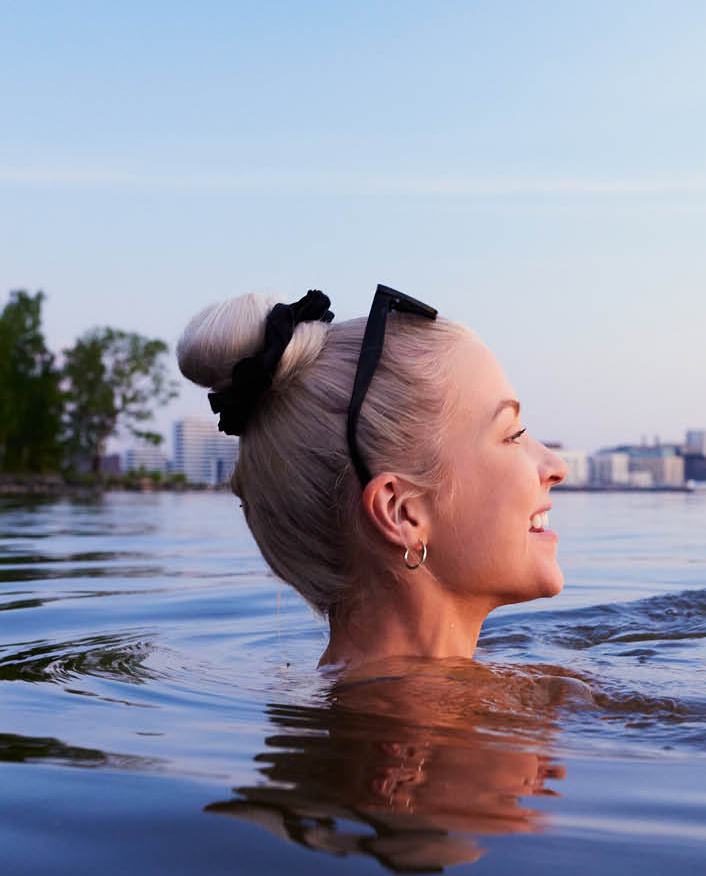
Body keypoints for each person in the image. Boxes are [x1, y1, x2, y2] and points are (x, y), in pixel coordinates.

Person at [177, 286, 567, 674]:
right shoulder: (442, 727)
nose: (555, 466)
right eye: (511, 435)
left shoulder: (377, 706)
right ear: (402, 512)